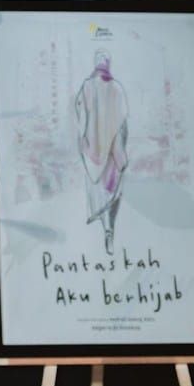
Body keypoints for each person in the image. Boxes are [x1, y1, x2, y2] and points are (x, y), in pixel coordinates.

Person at [75, 50, 129, 255]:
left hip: (93, 155)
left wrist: (85, 142)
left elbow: (80, 118)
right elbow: (123, 123)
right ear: (108, 63)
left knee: (99, 192)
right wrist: (120, 149)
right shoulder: (118, 89)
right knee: (112, 192)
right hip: (114, 153)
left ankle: (106, 229)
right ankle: (109, 230)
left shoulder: (87, 87)